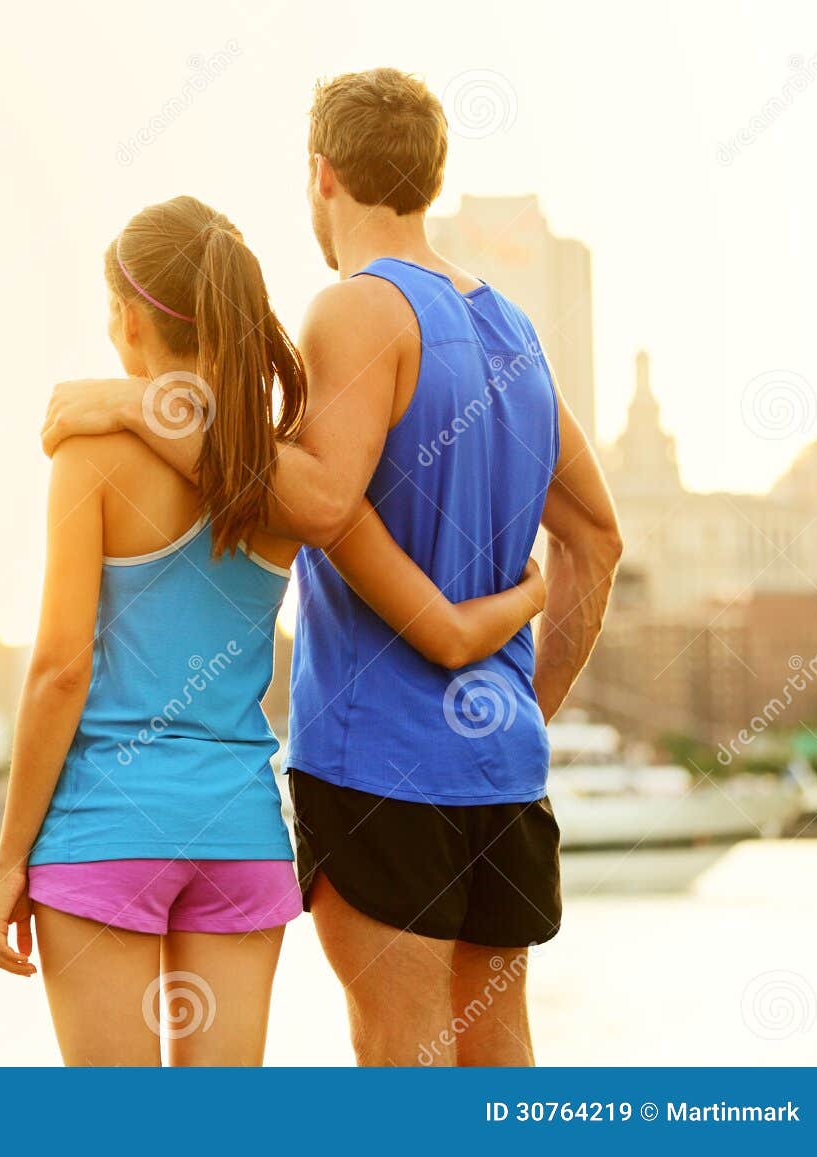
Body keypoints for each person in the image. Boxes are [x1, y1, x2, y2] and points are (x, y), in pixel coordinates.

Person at [39, 69, 623, 1066]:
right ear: (429, 178)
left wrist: (133, 404)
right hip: (502, 771)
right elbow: (597, 539)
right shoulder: (514, 331)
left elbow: (313, 498)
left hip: (378, 761)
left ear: (321, 175)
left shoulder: (356, 310)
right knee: (498, 1052)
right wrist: (524, 708)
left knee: (401, 1053)